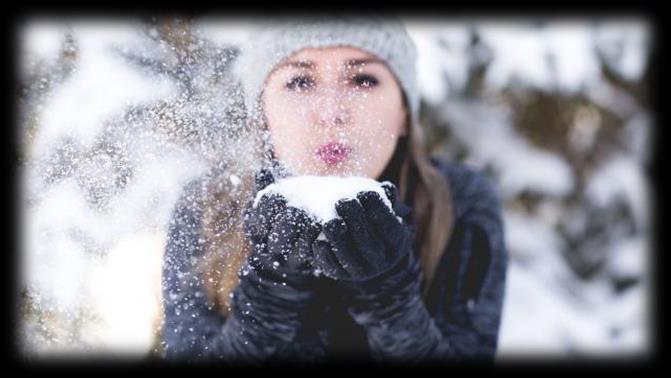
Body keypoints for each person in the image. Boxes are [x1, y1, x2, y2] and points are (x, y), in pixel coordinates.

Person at [160, 16, 508, 365]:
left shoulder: (458, 204)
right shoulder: (208, 208)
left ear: (404, 111)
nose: (331, 113)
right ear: (263, 111)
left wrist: (391, 301)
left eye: (362, 80)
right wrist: (269, 298)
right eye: (299, 81)